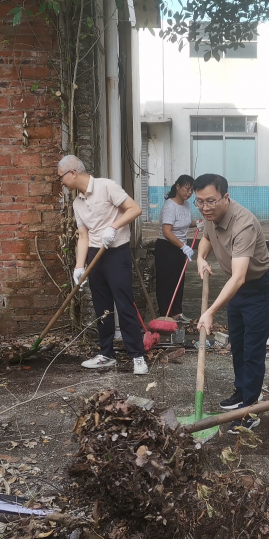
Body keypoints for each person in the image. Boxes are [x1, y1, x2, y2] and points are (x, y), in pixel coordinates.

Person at [194, 173, 269, 434]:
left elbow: (240, 276)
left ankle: (249, 410)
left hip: (258, 288)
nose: (205, 207)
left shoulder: (244, 224)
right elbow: (207, 239)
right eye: (199, 202)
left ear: (225, 197)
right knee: (238, 344)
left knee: (253, 349)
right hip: (236, 288)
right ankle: (242, 391)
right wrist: (201, 258)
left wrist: (210, 311)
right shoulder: (211, 217)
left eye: (211, 201)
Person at [58, 155, 149, 375]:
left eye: (61, 177)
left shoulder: (106, 186)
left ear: (72, 173)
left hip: (116, 253)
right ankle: (106, 354)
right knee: (102, 308)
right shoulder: (77, 203)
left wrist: (113, 227)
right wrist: (79, 267)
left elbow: (134, 209)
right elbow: (83, 235)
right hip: (94, 255)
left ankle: (137, 355)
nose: (61, 182)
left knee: (124, 305)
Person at [155, 174, 196, 319]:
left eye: (191, 190)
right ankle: (166, 316)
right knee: (167, 282)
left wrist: (197, 223)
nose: (189, 193)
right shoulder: (169, 206)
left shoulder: (186, 205)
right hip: (167, 248)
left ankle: (177, 313)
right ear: (178, 187)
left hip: (179, 248)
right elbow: (167, 232)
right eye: (186, 189)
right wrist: (184, 246)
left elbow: (185, 222)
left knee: (179, 281)